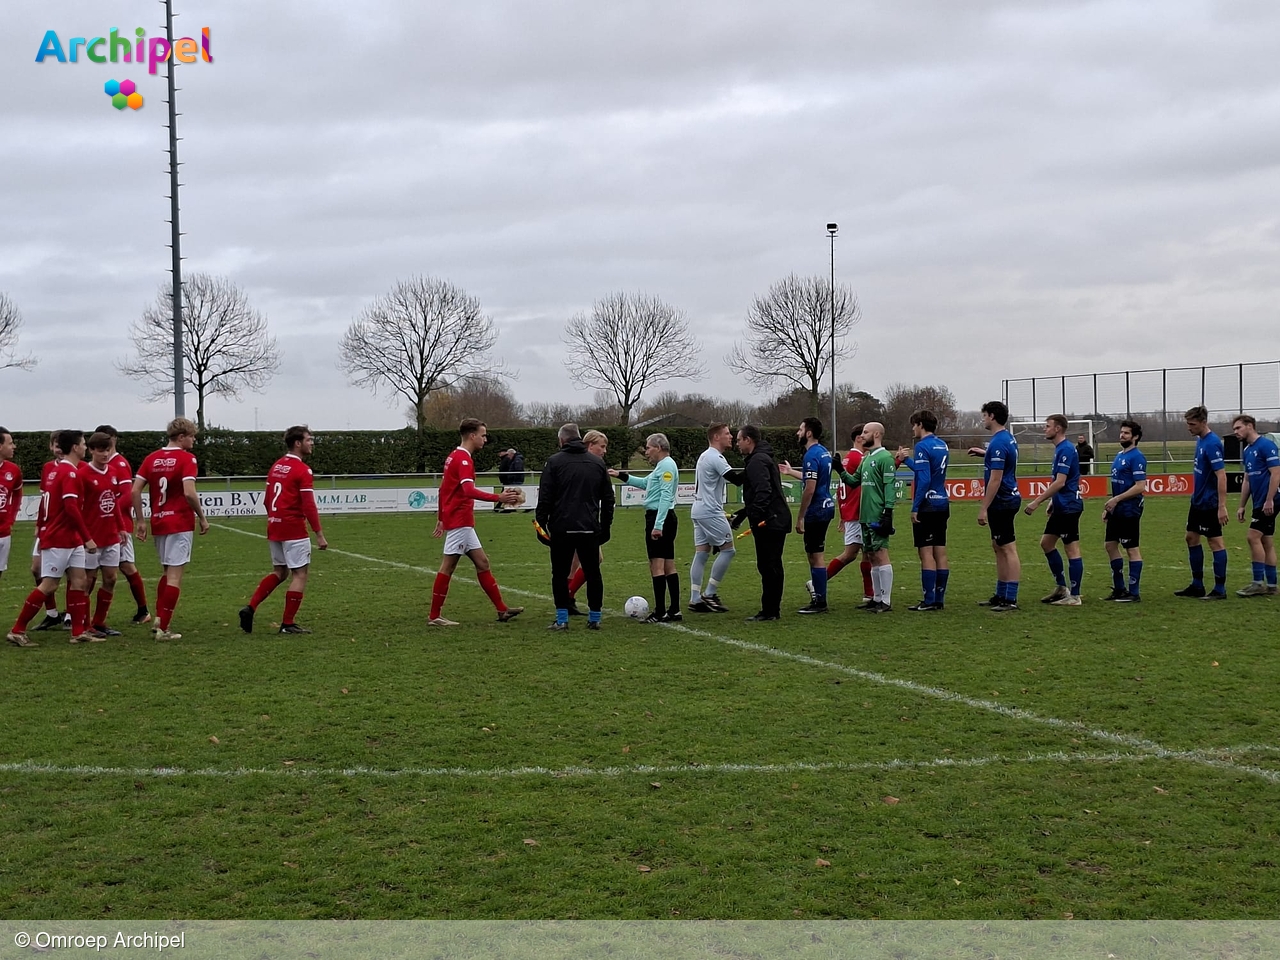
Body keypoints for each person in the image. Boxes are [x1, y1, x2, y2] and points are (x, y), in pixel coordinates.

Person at [428, 418, 523, 626]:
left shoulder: (453, 456)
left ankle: (502, 610)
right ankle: (434, 616)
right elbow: (468, 490)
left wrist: (441, 518)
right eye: (483, 435)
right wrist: (499, 498)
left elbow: (443, 490)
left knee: (482, 563)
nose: (485, 439)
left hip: (460, 520)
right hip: (460, 520)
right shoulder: (463, 460)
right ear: (472, 436)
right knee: (447, 567)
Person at [8, 429, 97, 646]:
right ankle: (17, 630)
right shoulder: (69, 473)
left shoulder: (57, 471)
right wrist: (87, 537)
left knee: (79, 581)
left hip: (70, 537)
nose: (85, 447)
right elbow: (71, 507)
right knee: (49, 585)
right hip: (60, 537)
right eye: (83, 444)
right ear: (75, 447)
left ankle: (78, 632)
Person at [239, 425, 329, 635]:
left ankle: (250, 608)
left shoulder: (277, 466)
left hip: (275, 525)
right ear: (297, 443)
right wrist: (319, 534)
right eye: (308, 439)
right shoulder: (302, 470)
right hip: (293, 528)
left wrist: (274, 518)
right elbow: (308, 505)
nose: (311, 443)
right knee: (300, 574)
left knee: (280, 572)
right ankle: (288, 623)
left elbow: (267, 500)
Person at [132, 417, 210, 641]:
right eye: (192, 436)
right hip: (179, 522)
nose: (193, 441)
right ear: (181, 437)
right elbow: (189, 492)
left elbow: (135, 490)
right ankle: (163, 629)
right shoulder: (187, 458)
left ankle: (159, 619)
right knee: (175, 576)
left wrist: (140, 520)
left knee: (167, 573)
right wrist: (202, 517)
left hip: (159, 521)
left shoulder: (152, 458)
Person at [537, 423, 615, 631]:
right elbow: (608, 499)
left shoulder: (554, 462)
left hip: (561, 528)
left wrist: (541, 526)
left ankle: (562, 619)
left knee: (560, 574)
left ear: (561, 440)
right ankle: (595, 618)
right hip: (589, 528)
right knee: (593, 573)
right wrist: (605, 527)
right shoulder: (597, 463)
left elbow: (545, 497)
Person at [610, 433, 681, 623]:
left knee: (656, 565)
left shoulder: (666, 466)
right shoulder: (662, 466)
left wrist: (658, 525)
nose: (646, 452)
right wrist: (620, 475)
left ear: (659, 447)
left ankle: (660, 611)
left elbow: (666, 495)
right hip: (663, 518)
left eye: (648, 448)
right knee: (668, 565)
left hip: (660, 518)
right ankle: (674, 610)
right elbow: (644, 483)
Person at [1024, 414, 1085, 606]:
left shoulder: (1065, 449)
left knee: (1071, 548)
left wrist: (1037, 502)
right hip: (1061, 505)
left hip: (1069, 506)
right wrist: (1053, 500)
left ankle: (1075, 596)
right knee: (1047, 543)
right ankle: (1061, 587)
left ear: (1058, 428)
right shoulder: (1060, 448)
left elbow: (1060, 482)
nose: (1045, 429)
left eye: (1048, 426)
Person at [732, 425, 791, 622]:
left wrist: (755, 517)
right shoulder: (761, 458)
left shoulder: (757, 461)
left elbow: (763, 492)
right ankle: (771, 609)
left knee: (769, 565)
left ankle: (770, 610)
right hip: (773, 519)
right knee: (770, 564)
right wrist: (744, 514)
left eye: (739, 440)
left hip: (770, 521)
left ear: (748, 440)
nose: (737, 444)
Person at [837, 422, 897, 612]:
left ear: (877, 434)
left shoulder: (885, 458)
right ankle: (876, 598)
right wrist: (839, 469)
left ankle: (885, 601)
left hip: (878, 513)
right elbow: (854, 481)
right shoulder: (867, 458)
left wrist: (888, 512)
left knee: (881, 554)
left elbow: (889, 486)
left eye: (866, 432)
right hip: (864, 515)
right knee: (871, 555)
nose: (862, 435)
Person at [779, 417, 835, 614]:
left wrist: (800, 516)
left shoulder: (811, 455)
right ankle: (819, 599)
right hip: (827, 506)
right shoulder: (823, 452)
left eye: (801, 429)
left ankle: (820, 602)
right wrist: (791, 472)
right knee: (814, 554)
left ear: (809, 433)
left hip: (817, 510)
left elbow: (810, 489)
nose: (798, 433)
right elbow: (812, 478)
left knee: (815, 556)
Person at [96, 424, 150, 623]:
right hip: (103, 525)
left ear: (113, 439)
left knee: (126, 567)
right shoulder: (101, 465)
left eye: (106, 439)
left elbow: (127, 496)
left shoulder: (119, 464)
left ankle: (143, 610)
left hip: (120, 525)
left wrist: (108, 514)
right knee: (94, 571)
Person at [973, 400, 1022, 611]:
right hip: (1006, 498)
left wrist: (983, 507)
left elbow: (995, 479)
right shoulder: (1006, 438)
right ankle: (1001, 594)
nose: (983, 419)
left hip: (1003, 500)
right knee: (998, 545)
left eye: (984, 416)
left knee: (1008, 547)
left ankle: (1010, 598)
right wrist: (985, 454)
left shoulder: (999, 442)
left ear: (992, 416)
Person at [1176, 405, 1229, 600]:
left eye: (1192, 424)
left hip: (1210, 502)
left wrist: (1221, 506)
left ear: (1203, 422)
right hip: (1197, 501)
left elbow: (1221, 476)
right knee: (1191, 537)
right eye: (1188, 423)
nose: (1188, 427)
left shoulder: (1212, 443)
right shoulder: (1200, 440)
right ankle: (1197, 585)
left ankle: (1220, 589)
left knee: (1215, 542)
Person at [688, 422, 742, 613]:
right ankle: (709, 594)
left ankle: (695, 598)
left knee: (702, 553)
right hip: (710, 511)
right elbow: (736, 480)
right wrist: (759, 468)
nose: (731, 436)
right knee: (728, 551)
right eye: (727, 433)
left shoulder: (705, 456)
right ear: (716, 437)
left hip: (699, 509)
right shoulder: (715, 456)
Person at [900, 410, 950, 611]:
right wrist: (907, 461)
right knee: (940, 551)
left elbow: (924, 479)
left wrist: (915, 507)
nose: (913, 428)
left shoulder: (922, 446)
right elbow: (927, 471)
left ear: (920, 424)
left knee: (926, 552)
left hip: (927, 505)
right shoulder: (942, 445)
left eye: (914, 425)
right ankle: (939, 599)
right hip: (942, 501)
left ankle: (929, 600)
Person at [79, 433, 126, 637]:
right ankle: (83, 623)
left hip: (110, 535)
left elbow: (113, 502)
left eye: (108, 450)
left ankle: (99, 621)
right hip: (92, 537)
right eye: (100, 450)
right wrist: (84, 536)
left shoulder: (113, 472)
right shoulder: (83, 474)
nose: (105, 454)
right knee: (87, 581)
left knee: (111, 578)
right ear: (91, 450)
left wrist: (121, 527)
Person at [826, 425, 875, 608]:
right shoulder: (858, 458)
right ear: (858, 438)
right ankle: (817, 582)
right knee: (851, 554)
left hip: (854, 511)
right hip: (856, 513)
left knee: (868, 554)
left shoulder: (849, 458)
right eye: (865, 434)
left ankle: (869, 594)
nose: (867, 437)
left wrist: (842, 512)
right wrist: (898, 461)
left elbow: (842, 488)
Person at [1232, 414, 1279, 597]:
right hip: (1260, 501)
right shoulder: (1248, 450)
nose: (1235, 432)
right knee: (1266, 540)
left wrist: (1269, 499)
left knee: (1253, 537)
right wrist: (1242, 505)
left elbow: (1276, 474)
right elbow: (1247, 480)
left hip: (1271, 499)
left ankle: (1258, 583)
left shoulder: (1266, 445)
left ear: (1250, 426)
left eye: (1238, 428)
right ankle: (1272, 586)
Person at [564, 430, 611, 615]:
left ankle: (568, 598)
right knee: (593, 559)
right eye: (602, 446)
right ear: (590, 445)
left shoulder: (595, 465)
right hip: (579, 522)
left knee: (574, 562)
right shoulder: (585, 465)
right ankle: (568, 595)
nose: (604, 451)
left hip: (582, 520)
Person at [1101, 419, 1147, 602]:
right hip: (1117, 509)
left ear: (1135, 437)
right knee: (1110, 545)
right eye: (1121, 432)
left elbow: (1140, 486)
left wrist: (1116, 499)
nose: (1122, 435)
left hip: (1130, 509)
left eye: (1126, 433)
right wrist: (1110, 507)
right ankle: (1119, 589)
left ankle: (1134, 593)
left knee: (1131, 549)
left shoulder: (1137, 457)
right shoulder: (1119, 455)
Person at [28, 432, 66, 631]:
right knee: (36, 568)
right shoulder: (48, 468)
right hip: (48, 527)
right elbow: (45, 500)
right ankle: (52, 613)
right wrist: (39, 524)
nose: (59, 450)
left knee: (75, 572)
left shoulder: (78, 468)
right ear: (51, 447)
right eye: (56, 446)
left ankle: (71, 616)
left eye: (62, 446)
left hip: (69, 529)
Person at [0, 428, 21, 586]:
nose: (13, 446)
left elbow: (17, 495)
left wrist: (10, 519)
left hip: (4, 532)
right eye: (10, 443)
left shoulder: (13, 470)